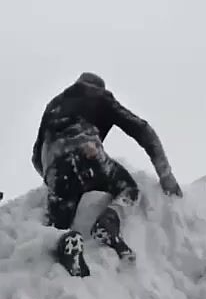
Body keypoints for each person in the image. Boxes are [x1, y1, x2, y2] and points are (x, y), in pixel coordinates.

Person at [32, 72, 182, 277]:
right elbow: (141, 129)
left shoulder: (53, 105)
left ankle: (66, 242)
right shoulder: (99, 96)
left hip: (56, 170)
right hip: (89, 155)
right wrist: (165, 174)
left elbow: (35, 156)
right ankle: (108, 222)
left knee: (57, 224)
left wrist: (51, 179)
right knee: (128, 188)